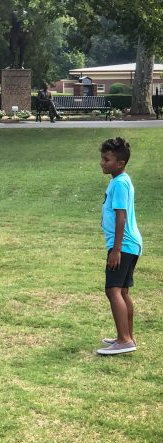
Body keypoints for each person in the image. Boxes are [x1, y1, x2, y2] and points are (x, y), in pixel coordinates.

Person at [96, 137, 142, 355]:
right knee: (122, 291)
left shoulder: (120, 183)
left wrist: (116, 250)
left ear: (120, 163)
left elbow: (121, 216)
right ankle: (127, 336)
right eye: (102, 158)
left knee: (112, 290)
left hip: (123, 245)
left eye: (107, 159)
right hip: (128, 245)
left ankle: (125, 340)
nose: (102, 163)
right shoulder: (119, 180)